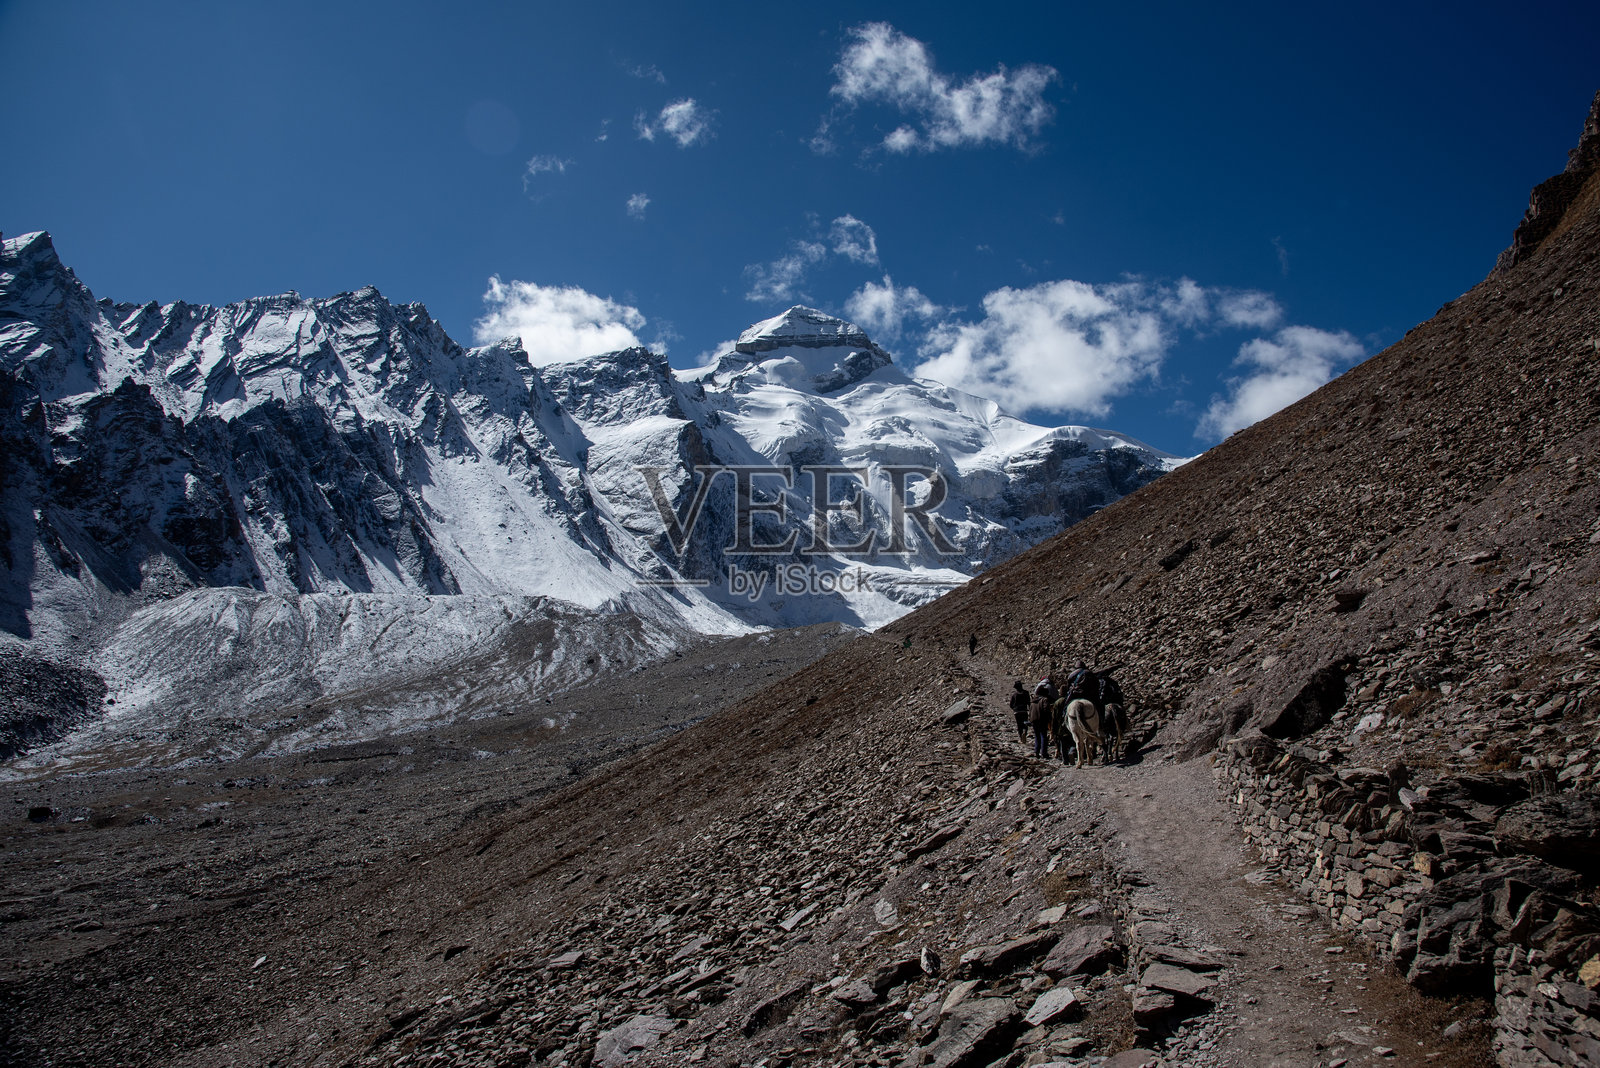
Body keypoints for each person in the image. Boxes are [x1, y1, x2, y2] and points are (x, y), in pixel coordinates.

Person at [1028, 678, 1055, 759]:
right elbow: (1046, 709)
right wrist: (1049, 718)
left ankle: (1036, 752)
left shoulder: (1033, 700)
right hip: (1042, 720)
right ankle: (1044, 753)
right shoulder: (1044, 700)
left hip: (1034, 720)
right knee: (1043, 736)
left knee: (1037, 736)